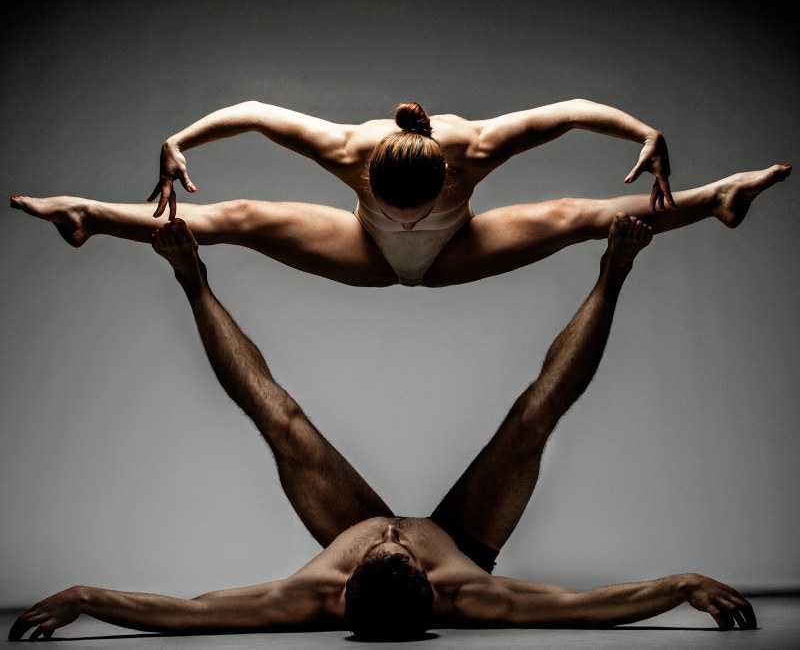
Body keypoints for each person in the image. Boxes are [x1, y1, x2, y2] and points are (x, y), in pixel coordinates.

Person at [9, 214, 757, 642]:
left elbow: (187, 615)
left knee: (278, 416)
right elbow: (586, 608)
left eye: (383, 548)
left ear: (347, 585)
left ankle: (189, 278)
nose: (393, 532)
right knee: (534, 416)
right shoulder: (466, 589)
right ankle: (616, 269)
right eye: (400, 547)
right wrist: (682, 583)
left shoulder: (310, 593)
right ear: (432, 587)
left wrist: (86, 596)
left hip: (348, 534)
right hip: (466, 537)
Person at [9, 99, 790, 286]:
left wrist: (642, 131)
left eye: (414, 202)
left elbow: (570, 111)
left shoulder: (476, 147)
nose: (404, 213)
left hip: (459, 251)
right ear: (365, 174)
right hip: (364, 256)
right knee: (233, 217)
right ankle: (86, 214)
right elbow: (251, 112)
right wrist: (178, 139)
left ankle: (718, 197)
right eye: (392, 199)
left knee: (580, 215)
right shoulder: (347, 150)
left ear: (453, 176)